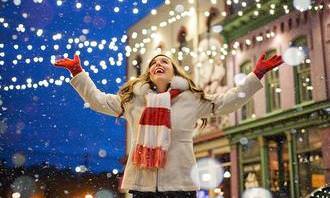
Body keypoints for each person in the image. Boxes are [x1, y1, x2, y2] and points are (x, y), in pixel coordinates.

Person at [53, 53, 283, 198]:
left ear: (174, 71)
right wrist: (78, 72)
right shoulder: (134, 100)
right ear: (149, 74)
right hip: (143, 186)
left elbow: (226, 102)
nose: (158, 64)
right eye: (153, 63)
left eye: (164, 61)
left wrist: (256, 74)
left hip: (180, 185)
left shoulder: (191, 99)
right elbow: (98, 100)